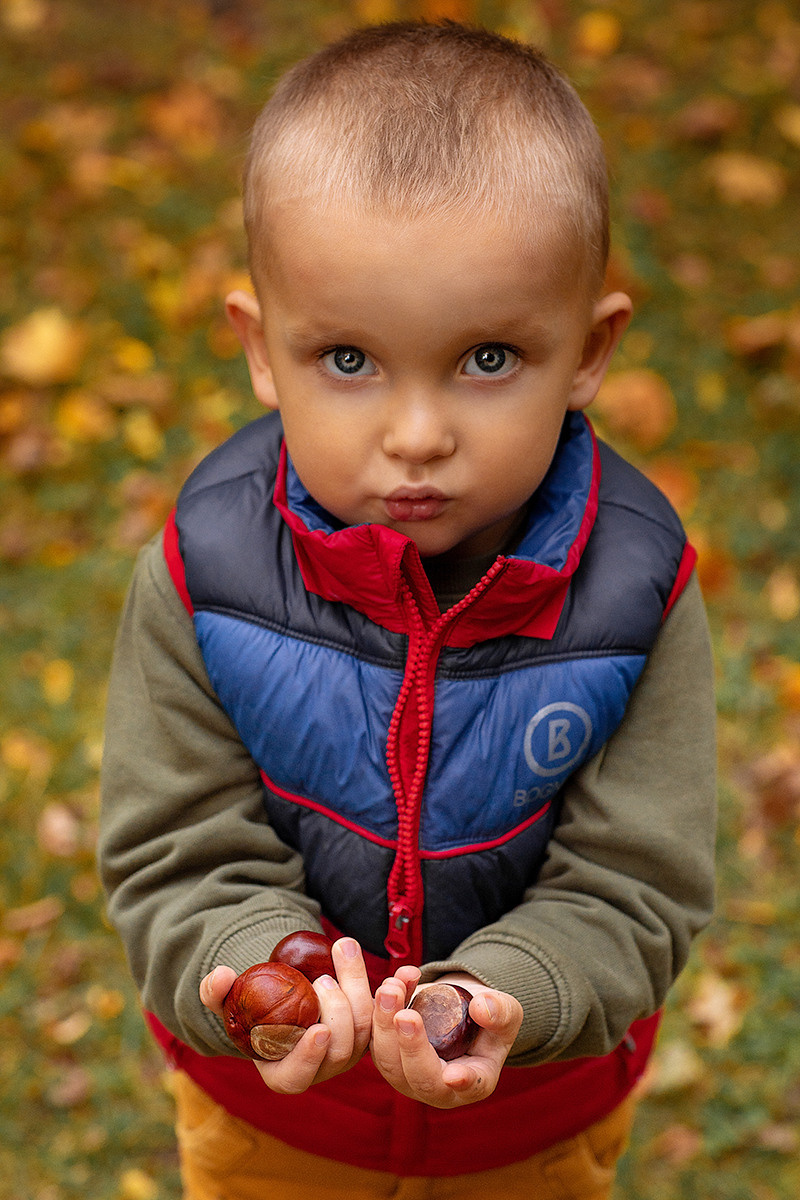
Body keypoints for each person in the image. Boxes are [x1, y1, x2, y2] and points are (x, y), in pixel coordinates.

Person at [98, 20, 717, 1200]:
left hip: (526, 1124)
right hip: (278, 1122)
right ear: (261, 351)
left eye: (486, 358)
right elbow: (175, 849)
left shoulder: (635, 594)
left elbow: (638, 882)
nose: (417, 433)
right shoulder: (202, 572)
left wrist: (506, 998)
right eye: (347, 359)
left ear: (587, 350)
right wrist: (248, 973)